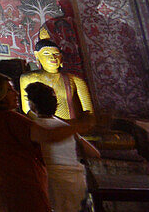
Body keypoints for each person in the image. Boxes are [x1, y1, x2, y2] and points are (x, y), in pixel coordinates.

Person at [0, 72, 93, 212]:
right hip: (23, 186)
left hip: (0, 187)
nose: (16, 93)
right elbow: (48, 135)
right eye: (10, 90)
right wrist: (80, 125)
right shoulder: (9, 118)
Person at [26, 82, 99, 212]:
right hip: (76, 183)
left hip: (51, 184)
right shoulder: (67, 128)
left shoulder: (32, 128)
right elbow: (94, 153)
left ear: (32, 105)